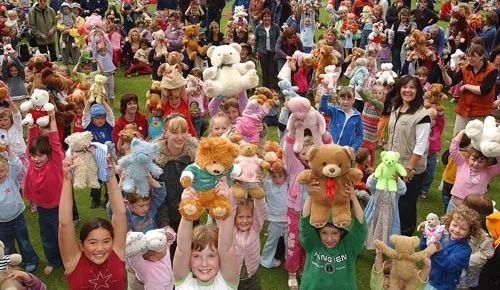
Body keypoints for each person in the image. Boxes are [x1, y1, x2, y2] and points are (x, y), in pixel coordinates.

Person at [59, 155, 126, 289]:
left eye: (106, 241)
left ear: (113, 241)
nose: (100, 249)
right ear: (81, 245)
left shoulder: (117, 252)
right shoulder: (73, 261)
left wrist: (110, 175)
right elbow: (65, 224)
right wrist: (67, 180)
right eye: (93, 242)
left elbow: (120, 214)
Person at [172, 181, 239, 290]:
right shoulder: (183, 281)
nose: (204, 264)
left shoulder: (226, 282)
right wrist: (188, 210)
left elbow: (226, 248)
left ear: (220, 257)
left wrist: (224, 201)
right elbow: (182, 249)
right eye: (196, 256)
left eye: (211, 255)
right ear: (188, 258)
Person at [387, 75, 430, 236]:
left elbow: (421, 145)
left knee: (406, 204)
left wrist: (409, 168)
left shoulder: (422, 115)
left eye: (412, 87)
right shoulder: (396, 108)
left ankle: (404, 237)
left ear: (418, 91)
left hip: (409, 169)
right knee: (393, 201)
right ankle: (392, 232)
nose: (408, 90)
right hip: (392, 165)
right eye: (405, 87)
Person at [299, 192, 367, 289]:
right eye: (324, 233)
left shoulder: (349, 247)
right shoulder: (313, 243)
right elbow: (305, 222)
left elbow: (360, 227)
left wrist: (354, 199)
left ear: (342, 232)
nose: (329, 239)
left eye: (334, 233)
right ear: (318, 233)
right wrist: (310, 195)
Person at [25, 110, 63, 274]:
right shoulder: (31, 160)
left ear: (49, 155)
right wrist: (32, 120)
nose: (37, 159)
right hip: (42, 207)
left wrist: (52, 119)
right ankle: (53, 261)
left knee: (61, 234)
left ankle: (67, 259)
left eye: (41, 156)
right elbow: (31, 142)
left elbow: (55, 142)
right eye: (34, 156)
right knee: (47, 236)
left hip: (58, 206)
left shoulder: (55, 162)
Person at [154, 116, 198, 257]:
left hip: (192, 217)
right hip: (167, 222)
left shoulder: (195, 158)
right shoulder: (155, 162)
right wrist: (164, 225)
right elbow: (157, 198)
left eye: (183, 131)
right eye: (174, 132)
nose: (180, 137)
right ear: (165, 132)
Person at [440, 45, 498, 135]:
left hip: (481, 112)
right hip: (464, 110)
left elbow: (483, 90)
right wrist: (443, 72)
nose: (470, 59)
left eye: (473, 56)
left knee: (475, 141)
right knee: (458, 138)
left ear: (482, 56)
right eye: (468, 56)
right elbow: (450, 83)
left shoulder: (491, 71)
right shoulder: (464, 69)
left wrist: (466, 86)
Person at [420, 206, 482, 290]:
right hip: (430, 276)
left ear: (469, 232)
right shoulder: (441, 234)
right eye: (454, 225)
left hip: (443, 285)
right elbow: (424, 248)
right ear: (449, 222)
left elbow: (450, 265)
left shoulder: (464, 250)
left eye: (462, 228)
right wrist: (426, 236)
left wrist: (439, 250)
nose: (456, 230)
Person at [0, 145, 39, 273]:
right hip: (2, 222)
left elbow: (16, 165)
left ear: (6, 170)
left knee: (24, 240)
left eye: (1, 171)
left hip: (17, 217)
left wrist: (9, 152)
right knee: (7, 246)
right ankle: (12, 264)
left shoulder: (11, 177)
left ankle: (30, 260)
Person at [446, 130, 500, 212]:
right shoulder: (462, 164)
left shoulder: (488, 172)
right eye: (473, 159)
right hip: (454, 206)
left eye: (481, 162)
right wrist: (461, 133)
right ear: (468, 158)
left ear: (486, 163)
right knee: (450, 225)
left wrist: (495, 149)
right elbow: (453, 150)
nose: (476, 164)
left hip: (472, 212)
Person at [457, 194, 495, 290]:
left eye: (465, 206)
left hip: (470, 268)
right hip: (457, 261)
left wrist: (464, 259)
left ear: (475, 214)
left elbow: (485, 254)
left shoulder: (485, 234)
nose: (461, 207)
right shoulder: (464, 223)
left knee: (464, 285)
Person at [82, 100, 115, 209]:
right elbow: (85, 116)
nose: (100, 121)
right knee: (96, 179)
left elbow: (110, 114)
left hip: (108, 156)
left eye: (102, 118)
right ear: (92, 119)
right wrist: (87, 103)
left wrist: (103, 102)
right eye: (97, 118)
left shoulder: (108, 125)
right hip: (95, 157)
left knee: (108, 177)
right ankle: (95, 198)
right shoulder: (89, 126)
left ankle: (108, 197)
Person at [233, 198, 267, 290]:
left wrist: (258, 195)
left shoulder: (255, 228)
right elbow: (229, 210)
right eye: (240, 217)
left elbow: (261, 210)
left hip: (252, 277)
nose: (245, 221)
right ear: (234, 217)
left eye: (248, 217)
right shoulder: (230, 231)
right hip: (233, 279)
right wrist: (233, 194)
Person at [260, 168, 288, 269]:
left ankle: (290, 262)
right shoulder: (268, 185)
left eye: (280, 176)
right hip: (274, 220)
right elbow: (264, 174)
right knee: (271, 242)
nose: (277, 179)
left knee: (290, 243)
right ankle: (265, 261)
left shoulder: (287, 184)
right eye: (274, 177)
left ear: (285, 176)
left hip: (288, 221)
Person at [419, 108, 444, 199]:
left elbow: (441, 121)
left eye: (434, 119)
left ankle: (424, 190)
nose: (432, 121)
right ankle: (417, 188)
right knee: (419, 171)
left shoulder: (437, 128)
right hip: (421, 154)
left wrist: (440, 114)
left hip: (432, 155)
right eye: (429, 118)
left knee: (429, 173)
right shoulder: (422, 128)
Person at [254, 9, 280, 90]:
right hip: (263, 52)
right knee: (265, 71)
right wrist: (254, 52)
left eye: (268, 16)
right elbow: (256, 41)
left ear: (271, 17)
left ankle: (273, 88)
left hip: (273, 52)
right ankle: (265, 88)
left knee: (272, 71)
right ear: (262, 18)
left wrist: (278, 51)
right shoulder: (258, 27)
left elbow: (278, 40)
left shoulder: (275, 27)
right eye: (265, 16)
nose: (267, 18)